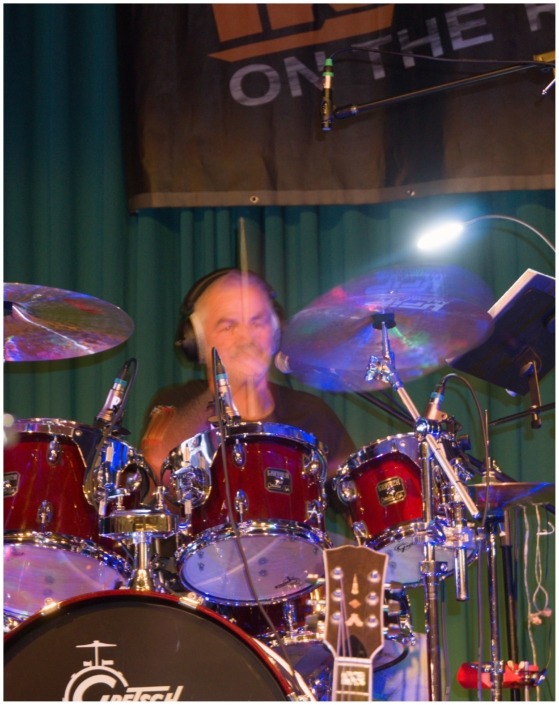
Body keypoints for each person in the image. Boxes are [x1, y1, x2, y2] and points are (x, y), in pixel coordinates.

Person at [140, 267, 356, 497]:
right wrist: (229, 384)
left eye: (257, 322)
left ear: (275, 332)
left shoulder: (312, 414)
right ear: (198, 342)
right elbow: (156, 477)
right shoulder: (175, 404)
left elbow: (358, 499)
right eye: (228, 326)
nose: (246, 338)